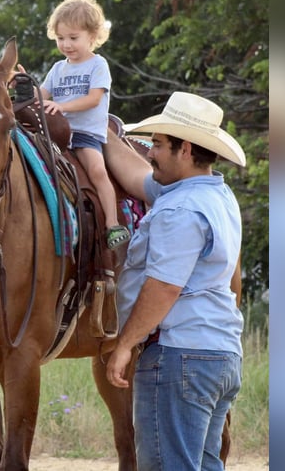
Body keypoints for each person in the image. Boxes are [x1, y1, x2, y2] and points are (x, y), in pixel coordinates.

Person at [103, 91, 246, 471]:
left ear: (185, 149)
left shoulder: (180, 209)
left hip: (178, 356)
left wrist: (124, 344)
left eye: (159, 145)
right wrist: (102, 130)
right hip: (217, 354)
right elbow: (136, 177)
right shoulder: (216, 194)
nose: (150, 153)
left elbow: (164, 287)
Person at [38, 0, 129, 250]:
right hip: (58, 135)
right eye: (60, 38)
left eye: (73, 38)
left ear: (92, 36)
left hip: (85, 133)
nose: (66, 44)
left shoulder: (97, 66)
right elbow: (40, 96)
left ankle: (112, 224)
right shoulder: (57, 69)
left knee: (98, 172)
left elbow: (93, 99)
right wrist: (24, 88)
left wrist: (61, 105)